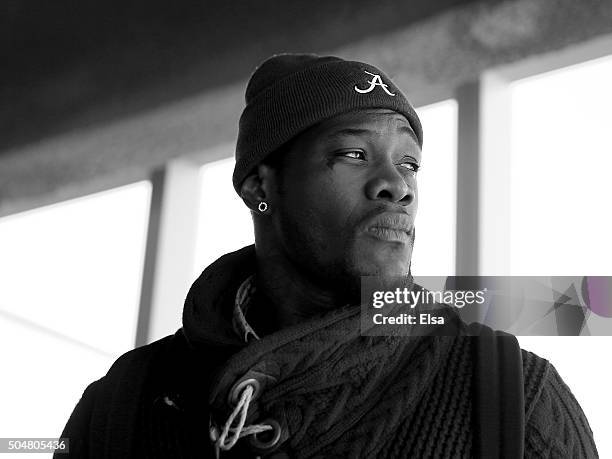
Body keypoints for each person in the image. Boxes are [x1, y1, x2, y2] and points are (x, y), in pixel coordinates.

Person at [57, 54, 598, 458]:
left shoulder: (515, 399)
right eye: (354, 154)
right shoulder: (123, 403)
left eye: (409, 164)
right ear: (259, 185)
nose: (396, 185)